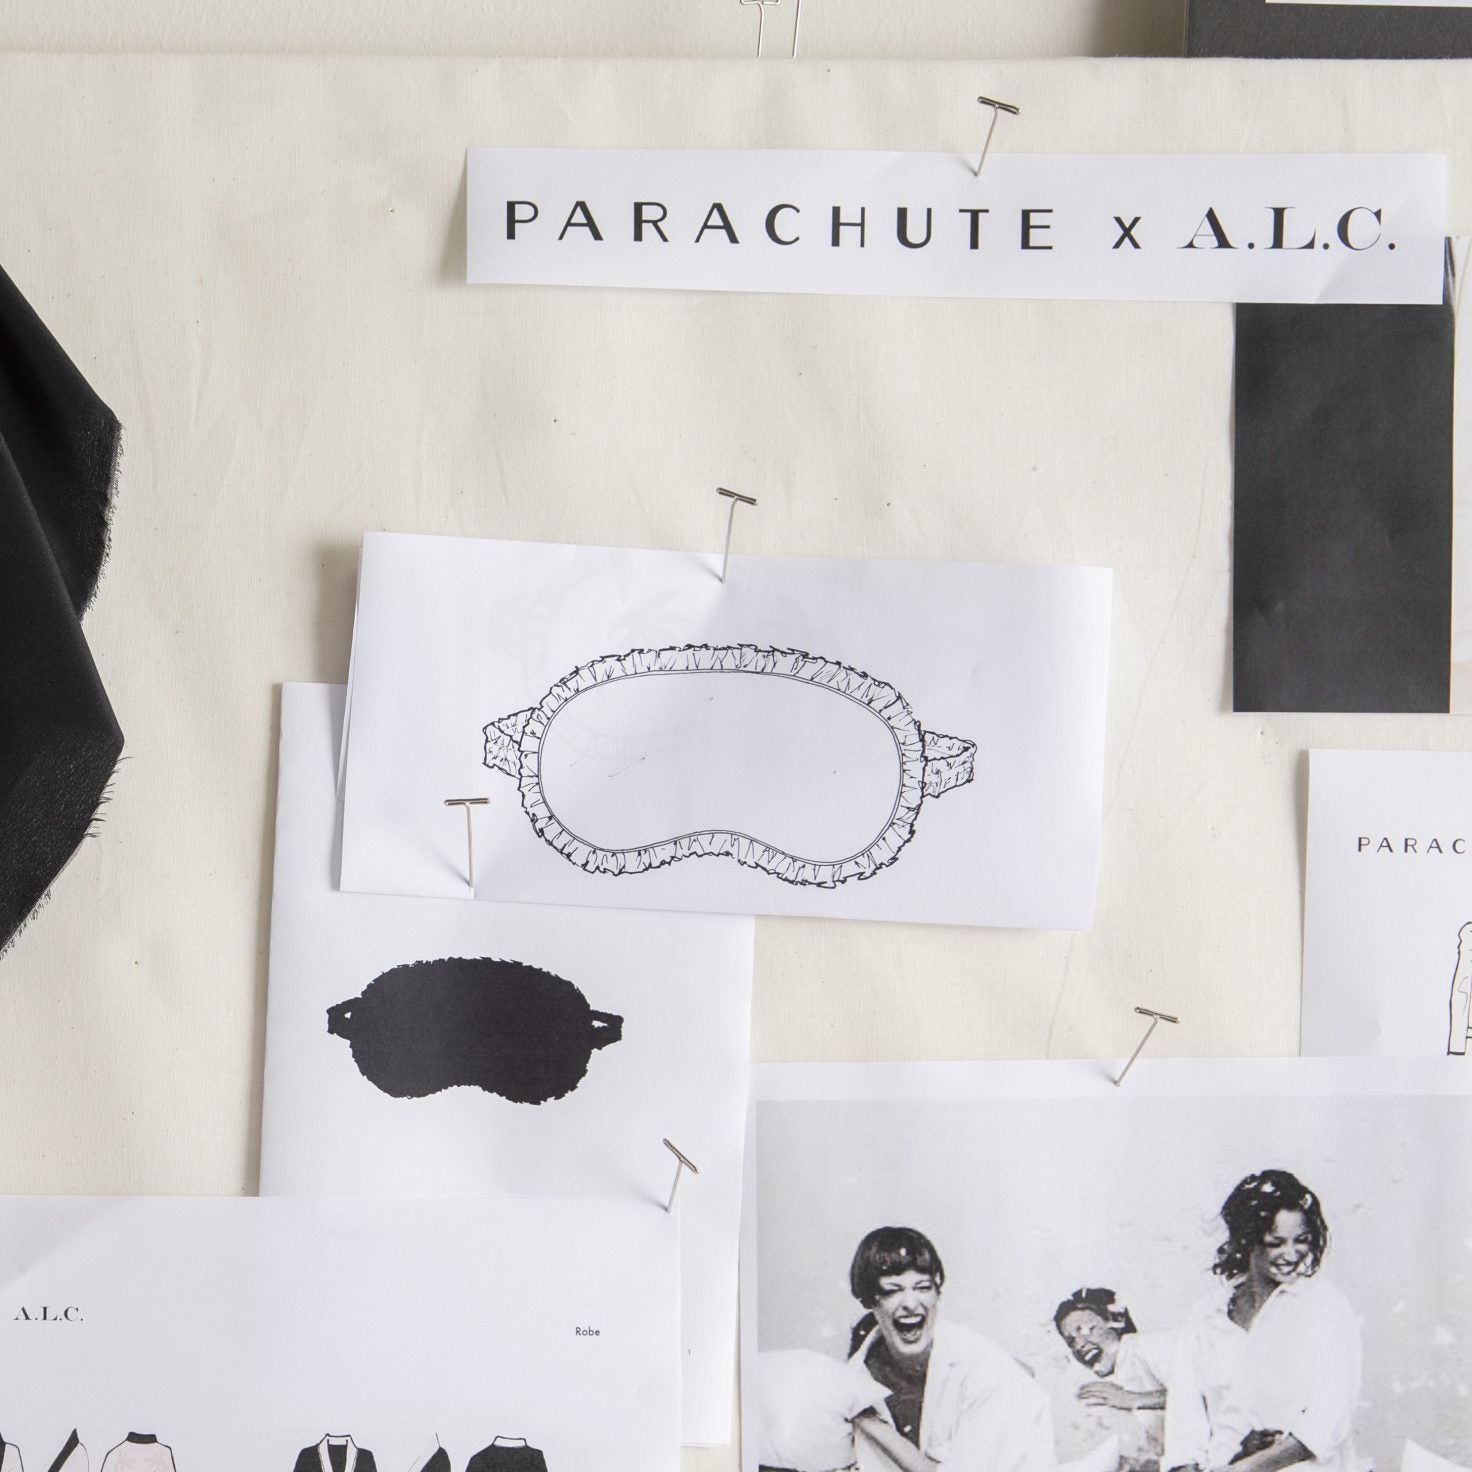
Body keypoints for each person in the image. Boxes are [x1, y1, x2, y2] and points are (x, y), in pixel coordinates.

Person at [1163, 1170, 1364, 1472]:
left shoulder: (1326, 1306)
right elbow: (1184, 1426)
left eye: (1302, 1240)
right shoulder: (1204, 1318)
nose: (1291, 1254)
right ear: (1248, 1240)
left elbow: (1327, 1419)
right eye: (1276, 1242)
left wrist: (1246, 1468)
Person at [844, 1226, 1055, 1472]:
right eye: (892, 1290)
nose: (911, 1303)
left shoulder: (985, 1368)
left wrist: (873, 1424)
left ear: (937, 1294)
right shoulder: (852, 1382)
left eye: (923, 1287)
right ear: (870, 1299)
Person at [1053, 1287, 1175, 1472]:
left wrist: (1131, 1399)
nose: (1079, 1345)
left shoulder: (1146, 1345)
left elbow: (1198, 1394)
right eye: (1071, 1341)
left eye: (1085, 1330)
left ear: (1116, 1321)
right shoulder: (1116, 1378)